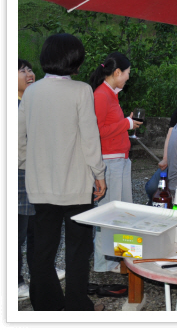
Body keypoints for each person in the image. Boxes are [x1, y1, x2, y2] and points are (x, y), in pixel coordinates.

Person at [18, 33, 106, 311]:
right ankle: (77, 305)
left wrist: (29, 164)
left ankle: (47, 307)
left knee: (42, 250)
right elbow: (90, 138)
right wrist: (99, 173)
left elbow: (18, 138)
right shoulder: (81, 90)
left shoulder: (31, 92)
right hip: (77, 185)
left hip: (41, 185)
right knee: (78, 250)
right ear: (74, 60)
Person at [89, 52, 142, 273]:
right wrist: (126, 124)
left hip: (119, 159)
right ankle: (105, 263)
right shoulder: (101, 95)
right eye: (128, 73)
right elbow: (97, 131)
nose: (129, 77)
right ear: (117, 72)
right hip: (109, 162)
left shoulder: (111, 94)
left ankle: (122, 259)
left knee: (122, 212)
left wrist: (125, 122)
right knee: (109, 213)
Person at [18, 58, 36, 301]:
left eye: (30, 69)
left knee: (35, 228)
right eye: (22, 70)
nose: (29, 74)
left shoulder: (29, 103)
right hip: (18, 173)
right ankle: (15, 281)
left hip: (32, 173)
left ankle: (39, 272)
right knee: (17, 231)